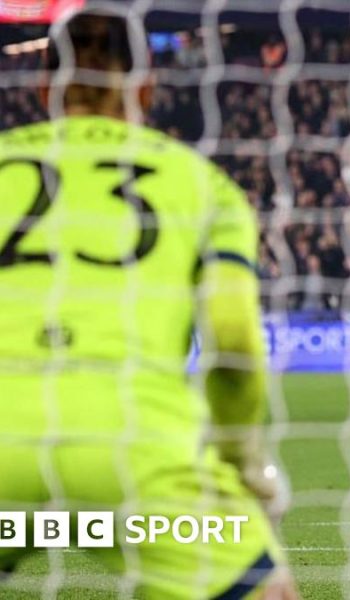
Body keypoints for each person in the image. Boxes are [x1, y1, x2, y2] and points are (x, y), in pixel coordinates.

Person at [0, 10, 297, 599]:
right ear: (146, 87)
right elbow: (233, 340)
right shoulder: (200, 183)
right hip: (134, 452)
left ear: (41, 86)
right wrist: (243, 460)